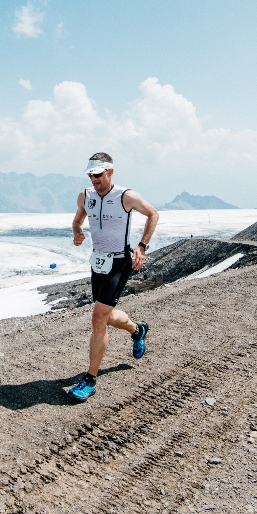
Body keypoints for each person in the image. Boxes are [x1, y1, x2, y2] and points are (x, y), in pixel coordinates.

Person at [66, 153, 159, 402]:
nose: (93, 179)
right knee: (105, 316)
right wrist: (77, 232)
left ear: (110, 172)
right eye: (90, 174)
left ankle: (90, 379)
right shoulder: (85, 196)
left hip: (120, 262)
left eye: (98, 174)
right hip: (98, 262)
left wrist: (141, 247)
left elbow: (153, 215)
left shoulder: (126, 196)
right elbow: (77, 221)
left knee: (97, 318)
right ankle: (138, 330)